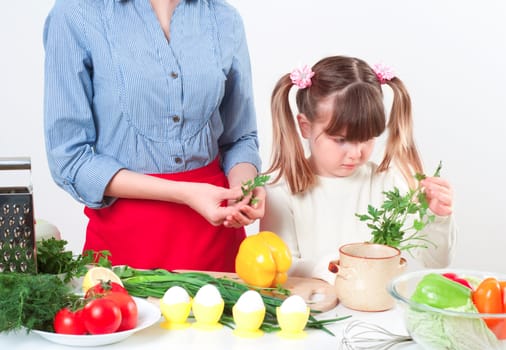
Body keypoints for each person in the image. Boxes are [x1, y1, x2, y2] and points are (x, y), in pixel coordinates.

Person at [43, 0, 265, 272]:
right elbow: (70, 158)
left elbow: (239, 139)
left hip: (217, 240)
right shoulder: (77, 13)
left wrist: (242, 190)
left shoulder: (223, 18)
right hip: (125, 248)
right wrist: (183, 193)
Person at [260, 56, 456, 283]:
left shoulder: (388, 182)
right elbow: (279, 265)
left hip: (379, 312)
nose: (356, 153)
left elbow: (436, 261)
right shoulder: (282, 189)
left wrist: (437, 218)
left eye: (366, 139)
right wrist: (322, 268)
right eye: (341, 140)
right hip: (313, 312)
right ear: (305, 126)